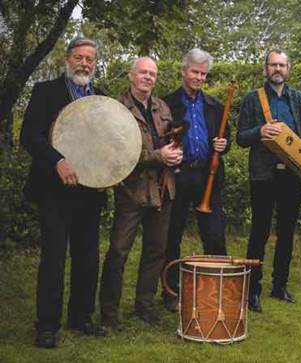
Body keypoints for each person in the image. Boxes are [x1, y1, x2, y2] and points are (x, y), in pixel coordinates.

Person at [20, 37, 107, 348]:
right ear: (67, 59)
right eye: (79, 58)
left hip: (90, 189)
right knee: (54, 258)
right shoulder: (46, 91)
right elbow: (29, 136)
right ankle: (47, 325)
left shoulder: (101, 97)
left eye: (90, 60)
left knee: (87, 256)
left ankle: (81, 316)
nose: (84, 64)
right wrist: (57, 161)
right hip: (54, 189)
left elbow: (109, 142)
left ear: (95, 64)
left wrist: (113, 169)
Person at [99, 57, 182, 329]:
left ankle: (144, 306)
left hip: (163, 188)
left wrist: (175, 155)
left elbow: (170, 140)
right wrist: (159, 156)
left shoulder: (162, 107)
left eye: (152, 74)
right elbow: (118, 153)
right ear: (131, 76)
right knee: (118, 251)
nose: (148, 77)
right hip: (132, 190)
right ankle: (109, 312)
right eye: (143, 72)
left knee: (156, 250)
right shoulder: (117, 109)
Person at [237, 49, 301, 313]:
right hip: (263, 175)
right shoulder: (252, 99)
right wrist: (260, 131)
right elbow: (240, 137)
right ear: (265, 69)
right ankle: (252, 289)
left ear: (288, 68)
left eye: (282, 65)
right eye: (273, 65)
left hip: (292, 175)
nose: (277, 69)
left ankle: (279, 285)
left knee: (286, 232)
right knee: (259, 232)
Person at [162, 48, 230, 311]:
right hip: (179, 176)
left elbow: (228, 140)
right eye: (194, 72)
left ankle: (218, 288)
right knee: (173, 235)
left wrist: (224, 144)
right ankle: (171, 293)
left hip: (208, 177)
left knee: (214, 235)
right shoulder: (168, 104)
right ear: (183, 71)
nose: (199, 77)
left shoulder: (214, 106)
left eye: (203, 73)